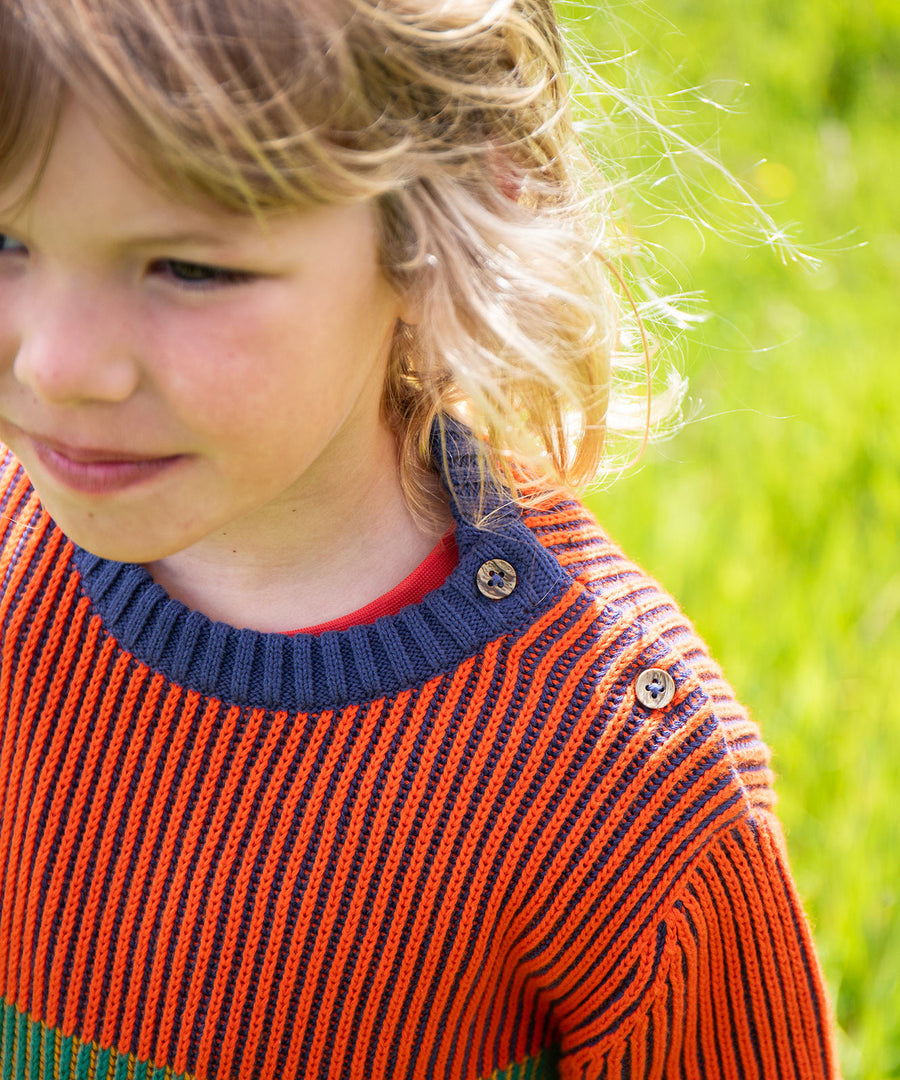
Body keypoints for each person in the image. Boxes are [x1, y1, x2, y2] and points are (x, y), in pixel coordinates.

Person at [0, 0, 838, 1077]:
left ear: (441, 227)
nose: (59, 366)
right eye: (6, 239)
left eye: (189, 269)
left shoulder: (621, 787)